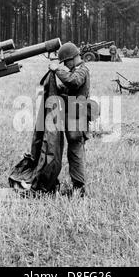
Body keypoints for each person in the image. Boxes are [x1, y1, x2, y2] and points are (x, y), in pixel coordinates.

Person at [49, 42, 90, 198]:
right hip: (74, 116)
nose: (65, 65)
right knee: (74, 152)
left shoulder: (82, 70)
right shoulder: (75, 70)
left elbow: (74, 82)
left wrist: (57, 69)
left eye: (65, 62)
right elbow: (69, 89)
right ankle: (77, 186)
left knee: (75, 152)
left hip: (77, 117)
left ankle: (79, 189)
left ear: (72, 58)